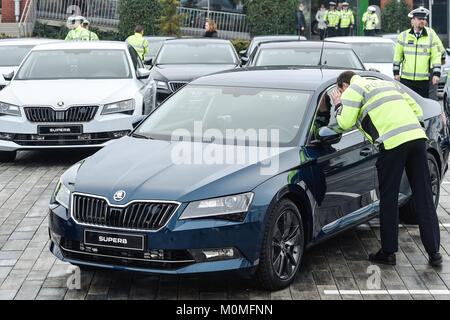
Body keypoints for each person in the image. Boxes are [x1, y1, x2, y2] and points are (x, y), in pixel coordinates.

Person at [331, 71, 442, 267]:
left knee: (389, 198)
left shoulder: (352, 90)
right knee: (424, 195)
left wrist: (339, 104)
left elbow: (345, 123)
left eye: (340, 91)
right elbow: (416, 108)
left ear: (343, 86)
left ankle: (388, 252)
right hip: (416, 139)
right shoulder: (385, 84)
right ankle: (434, 252)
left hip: (392, 145)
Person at [393, 8, 441, 99]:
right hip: (406, 81)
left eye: (423, 19)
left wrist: (436, 74)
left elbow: (436, 56)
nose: (422, 21)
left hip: (423, 81)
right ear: (413, 21)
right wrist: (396, 73)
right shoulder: (403, 36)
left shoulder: (431, 37)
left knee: (423, 108)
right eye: (419, 19)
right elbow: (397, 56)